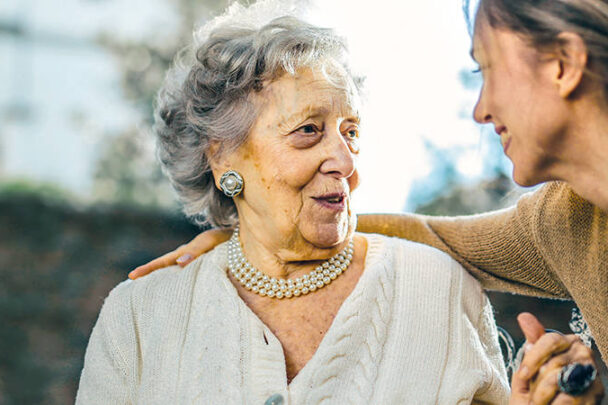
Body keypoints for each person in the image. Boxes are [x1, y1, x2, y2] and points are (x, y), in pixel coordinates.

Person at [76, 2, 603, 403]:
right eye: (309, 130)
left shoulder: (435, 289)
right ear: (222, 158)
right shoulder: (141, 317)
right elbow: (437, 234)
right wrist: (251, 234)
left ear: (565, 65)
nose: (480, 109)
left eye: (351, 132)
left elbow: (431, 245)